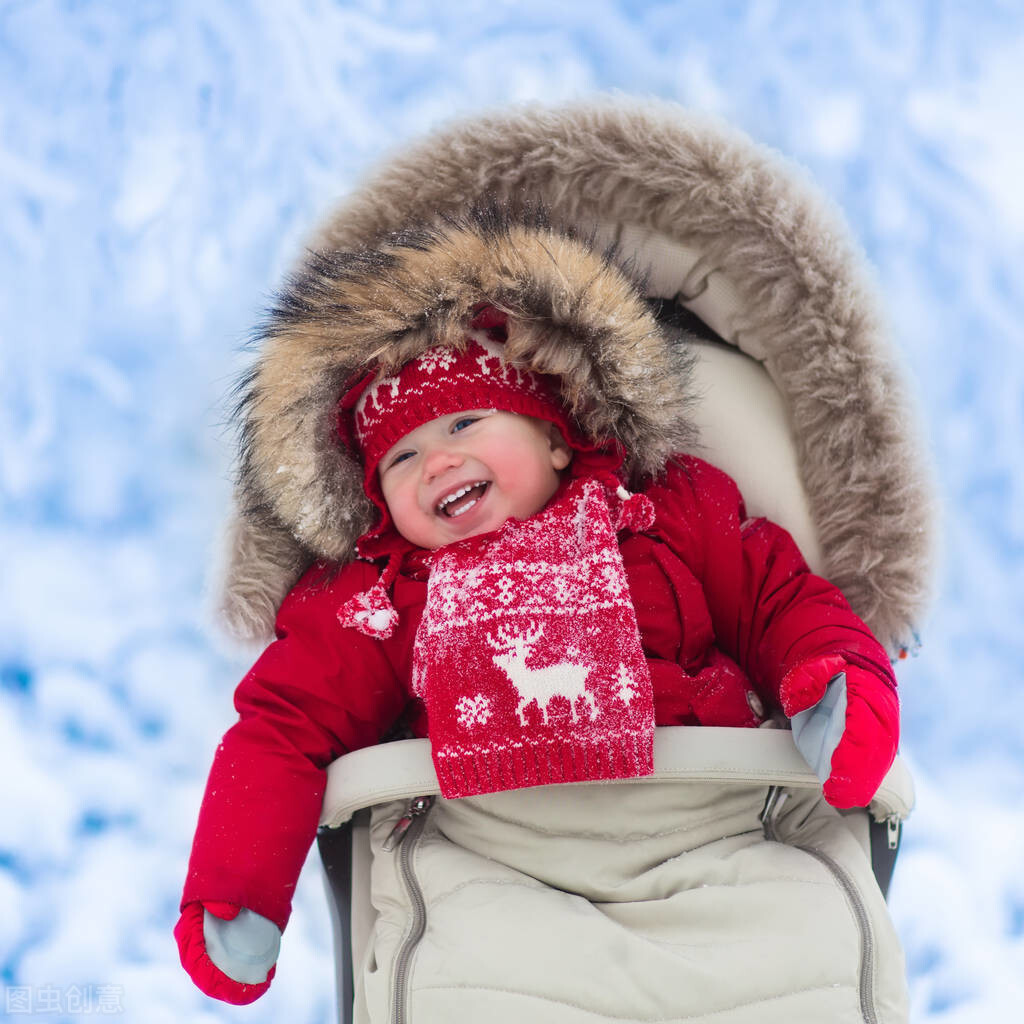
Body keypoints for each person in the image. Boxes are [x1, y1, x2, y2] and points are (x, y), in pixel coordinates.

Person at [174, 216, 900, 1009]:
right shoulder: (380, 597)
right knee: (470, 973)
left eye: (463, 422)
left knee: (807, 946)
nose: (438, 461)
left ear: (557, 435)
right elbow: (286, 725)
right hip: (494, 856)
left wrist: (834, 681)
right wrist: (239, 885)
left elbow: (779, 598)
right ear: (373, 501)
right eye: (399, 458)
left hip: (713, 831)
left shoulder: (670, 514)